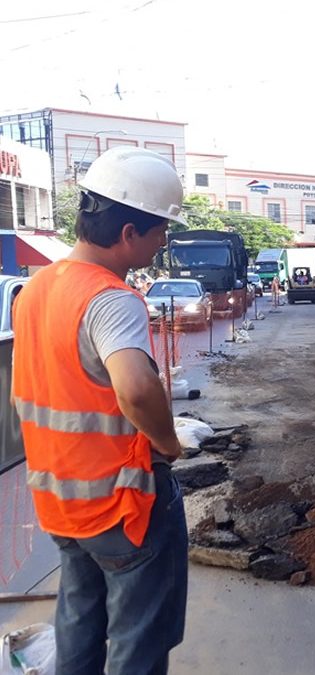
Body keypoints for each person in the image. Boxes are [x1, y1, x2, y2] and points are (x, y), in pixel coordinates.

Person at [11, 146, 189, 673]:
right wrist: (168, 443)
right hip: (121, 502)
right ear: (129, 232)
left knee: (79, 621)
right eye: (160, 231)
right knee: (139, 638)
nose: (162, 243)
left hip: (60, 501)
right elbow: (135, 388)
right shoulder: (111, 299)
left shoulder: (37, 286)